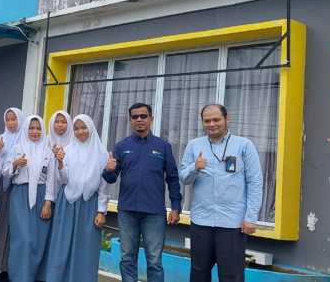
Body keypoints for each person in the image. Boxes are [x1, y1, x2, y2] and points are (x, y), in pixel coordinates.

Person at [179, 104, 263, 282]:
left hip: (232, 223)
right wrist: (195, 167)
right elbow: (184, 178)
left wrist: (251, 217)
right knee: (198, 272)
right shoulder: (194, 145)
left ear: (227, 119)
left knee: (231, 275)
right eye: (207, 121)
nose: (212, 124)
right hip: (201, 221)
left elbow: (255, 182)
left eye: (216, 119)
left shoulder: (244, 145)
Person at [102, 103, 181, 282]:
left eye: (143, 116)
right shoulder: (121, 146)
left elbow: (173, 178)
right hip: (127, 211)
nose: (139, 119)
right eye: (135, 117)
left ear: (151, 118)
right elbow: (111, 178)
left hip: (154, 213)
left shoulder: (163, 146)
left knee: (154, 261)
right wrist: (108, 170)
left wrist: (176, 207)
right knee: (127, 258)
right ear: (130, 120)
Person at [45, 115, 109, 282]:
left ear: (91, 128)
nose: (80, 132)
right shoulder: (68, 150)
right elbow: (63, 180)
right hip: (67, 203)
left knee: (86, 247)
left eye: (84, 127)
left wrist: (101, 211)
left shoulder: (101, 153)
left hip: (89, 205)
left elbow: (104, 186)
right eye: (76, 128)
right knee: (62, 245)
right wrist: (60, 164)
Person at [3, 115, 54, 282]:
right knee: (22, 239)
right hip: (20, 196)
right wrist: (15, 164)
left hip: (41, 197)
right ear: (26, 129)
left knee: (37, 241)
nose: (35, 131)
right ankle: (19, 277)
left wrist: (48, 202)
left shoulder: (48, 151)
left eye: (38, 128)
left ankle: (33, 276)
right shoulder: (17, 148)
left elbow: (51, 179)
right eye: (31, 128)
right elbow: (5, 171)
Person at [0, 107, 24, 281]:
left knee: (11, 229)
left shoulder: (24, 140)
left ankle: (6, 268)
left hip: (15, 188)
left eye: (14, 119)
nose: (11, 123)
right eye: (8, 119)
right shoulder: (0, 138)